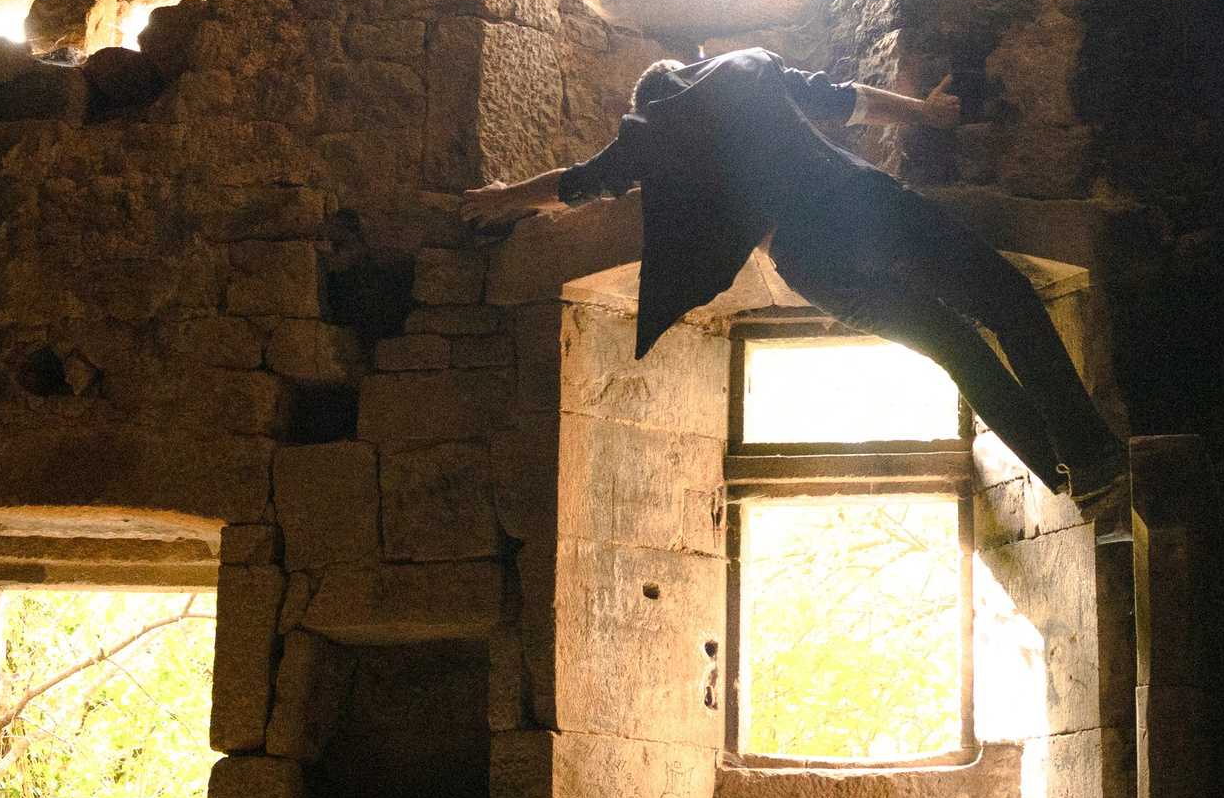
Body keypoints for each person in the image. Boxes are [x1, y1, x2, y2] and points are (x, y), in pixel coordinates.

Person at [457, 47, 1129, 510]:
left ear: (648, 103)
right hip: (856, 205)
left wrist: (499, 198)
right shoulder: (744, 65)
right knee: (1004, 298)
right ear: (687, 69)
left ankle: (1065, 473)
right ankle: (1091, 456)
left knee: (951, 343)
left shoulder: (649, 135)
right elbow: (841, 101)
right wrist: (924, 113)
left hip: (808, 261)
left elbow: (580, 184)